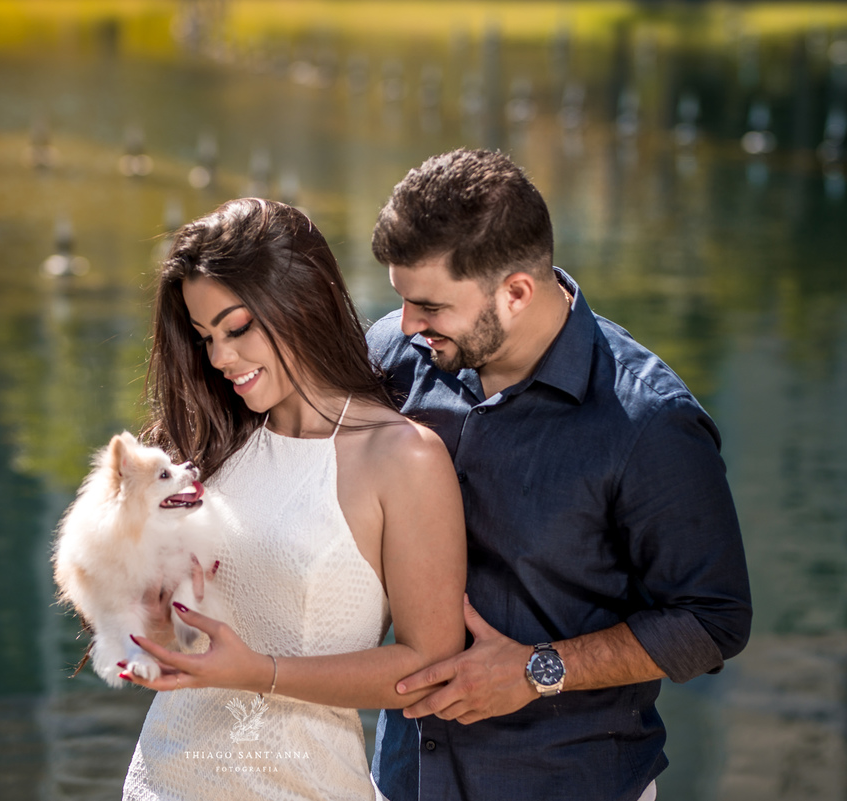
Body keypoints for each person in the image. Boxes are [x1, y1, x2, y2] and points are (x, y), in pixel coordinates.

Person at [365, 148, 753, 801]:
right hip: (400, 780)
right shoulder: (395, 356)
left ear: (515, 292)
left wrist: (538, 669)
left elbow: (713, 619)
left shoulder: (648, 423)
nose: (406, 325)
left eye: (430, 305)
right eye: (402, 299)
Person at [117, 198, 467, 800]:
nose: (220, 358)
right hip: (163, 780)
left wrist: (260, 674)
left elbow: (426, 667)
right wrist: (149, 619)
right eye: (205, 338)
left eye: (237, 328)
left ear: (301, 300)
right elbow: (170, 639)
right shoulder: (214, 440)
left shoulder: (403, 457)